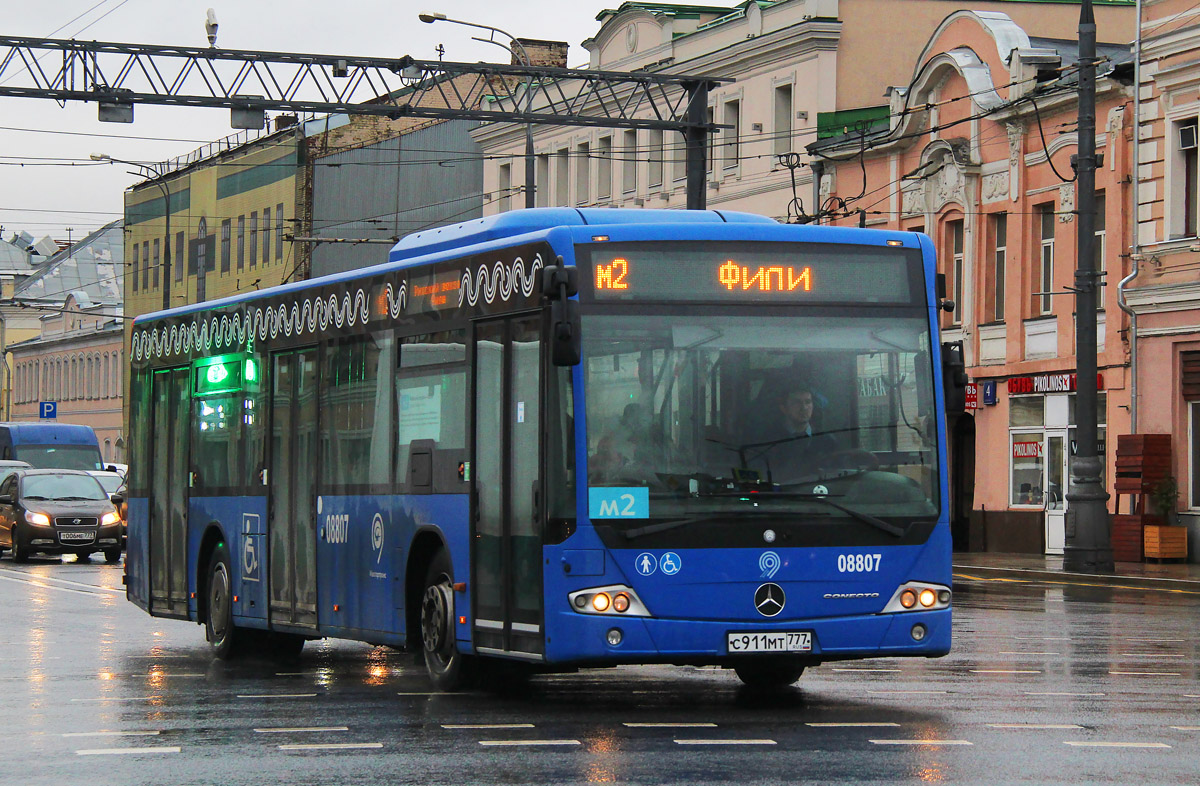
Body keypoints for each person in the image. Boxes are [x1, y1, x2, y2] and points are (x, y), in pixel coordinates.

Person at [763, 384, 838, 481]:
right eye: (797, 403)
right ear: (784, 408)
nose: (804, 408)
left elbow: (835, 474)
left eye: (808, 402)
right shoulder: (770, 441)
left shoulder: (827, 440)